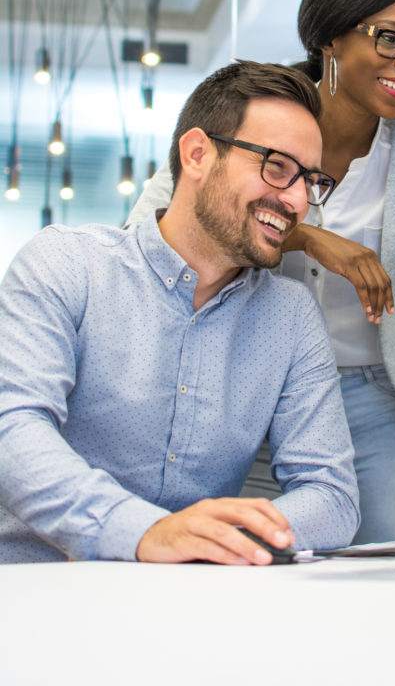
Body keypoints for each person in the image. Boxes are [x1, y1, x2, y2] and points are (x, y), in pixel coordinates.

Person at [128, 0, 395, 544]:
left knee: (388, 577)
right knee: (238, 568)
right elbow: (148, 229)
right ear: (330, 38)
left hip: (381, 396)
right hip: (244, 386)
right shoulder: (254, 113)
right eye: (391, 39)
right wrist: (308, 237)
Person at [0, 61, 359, 564]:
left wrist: (218, 536)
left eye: (311, 180)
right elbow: (12, 432)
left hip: (193, 605)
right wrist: (147, 532)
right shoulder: (67, 265)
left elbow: (332, 496)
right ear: (196, 154)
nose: (298, 199)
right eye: (277, 167)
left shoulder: (291, 317)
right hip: (36, 593)